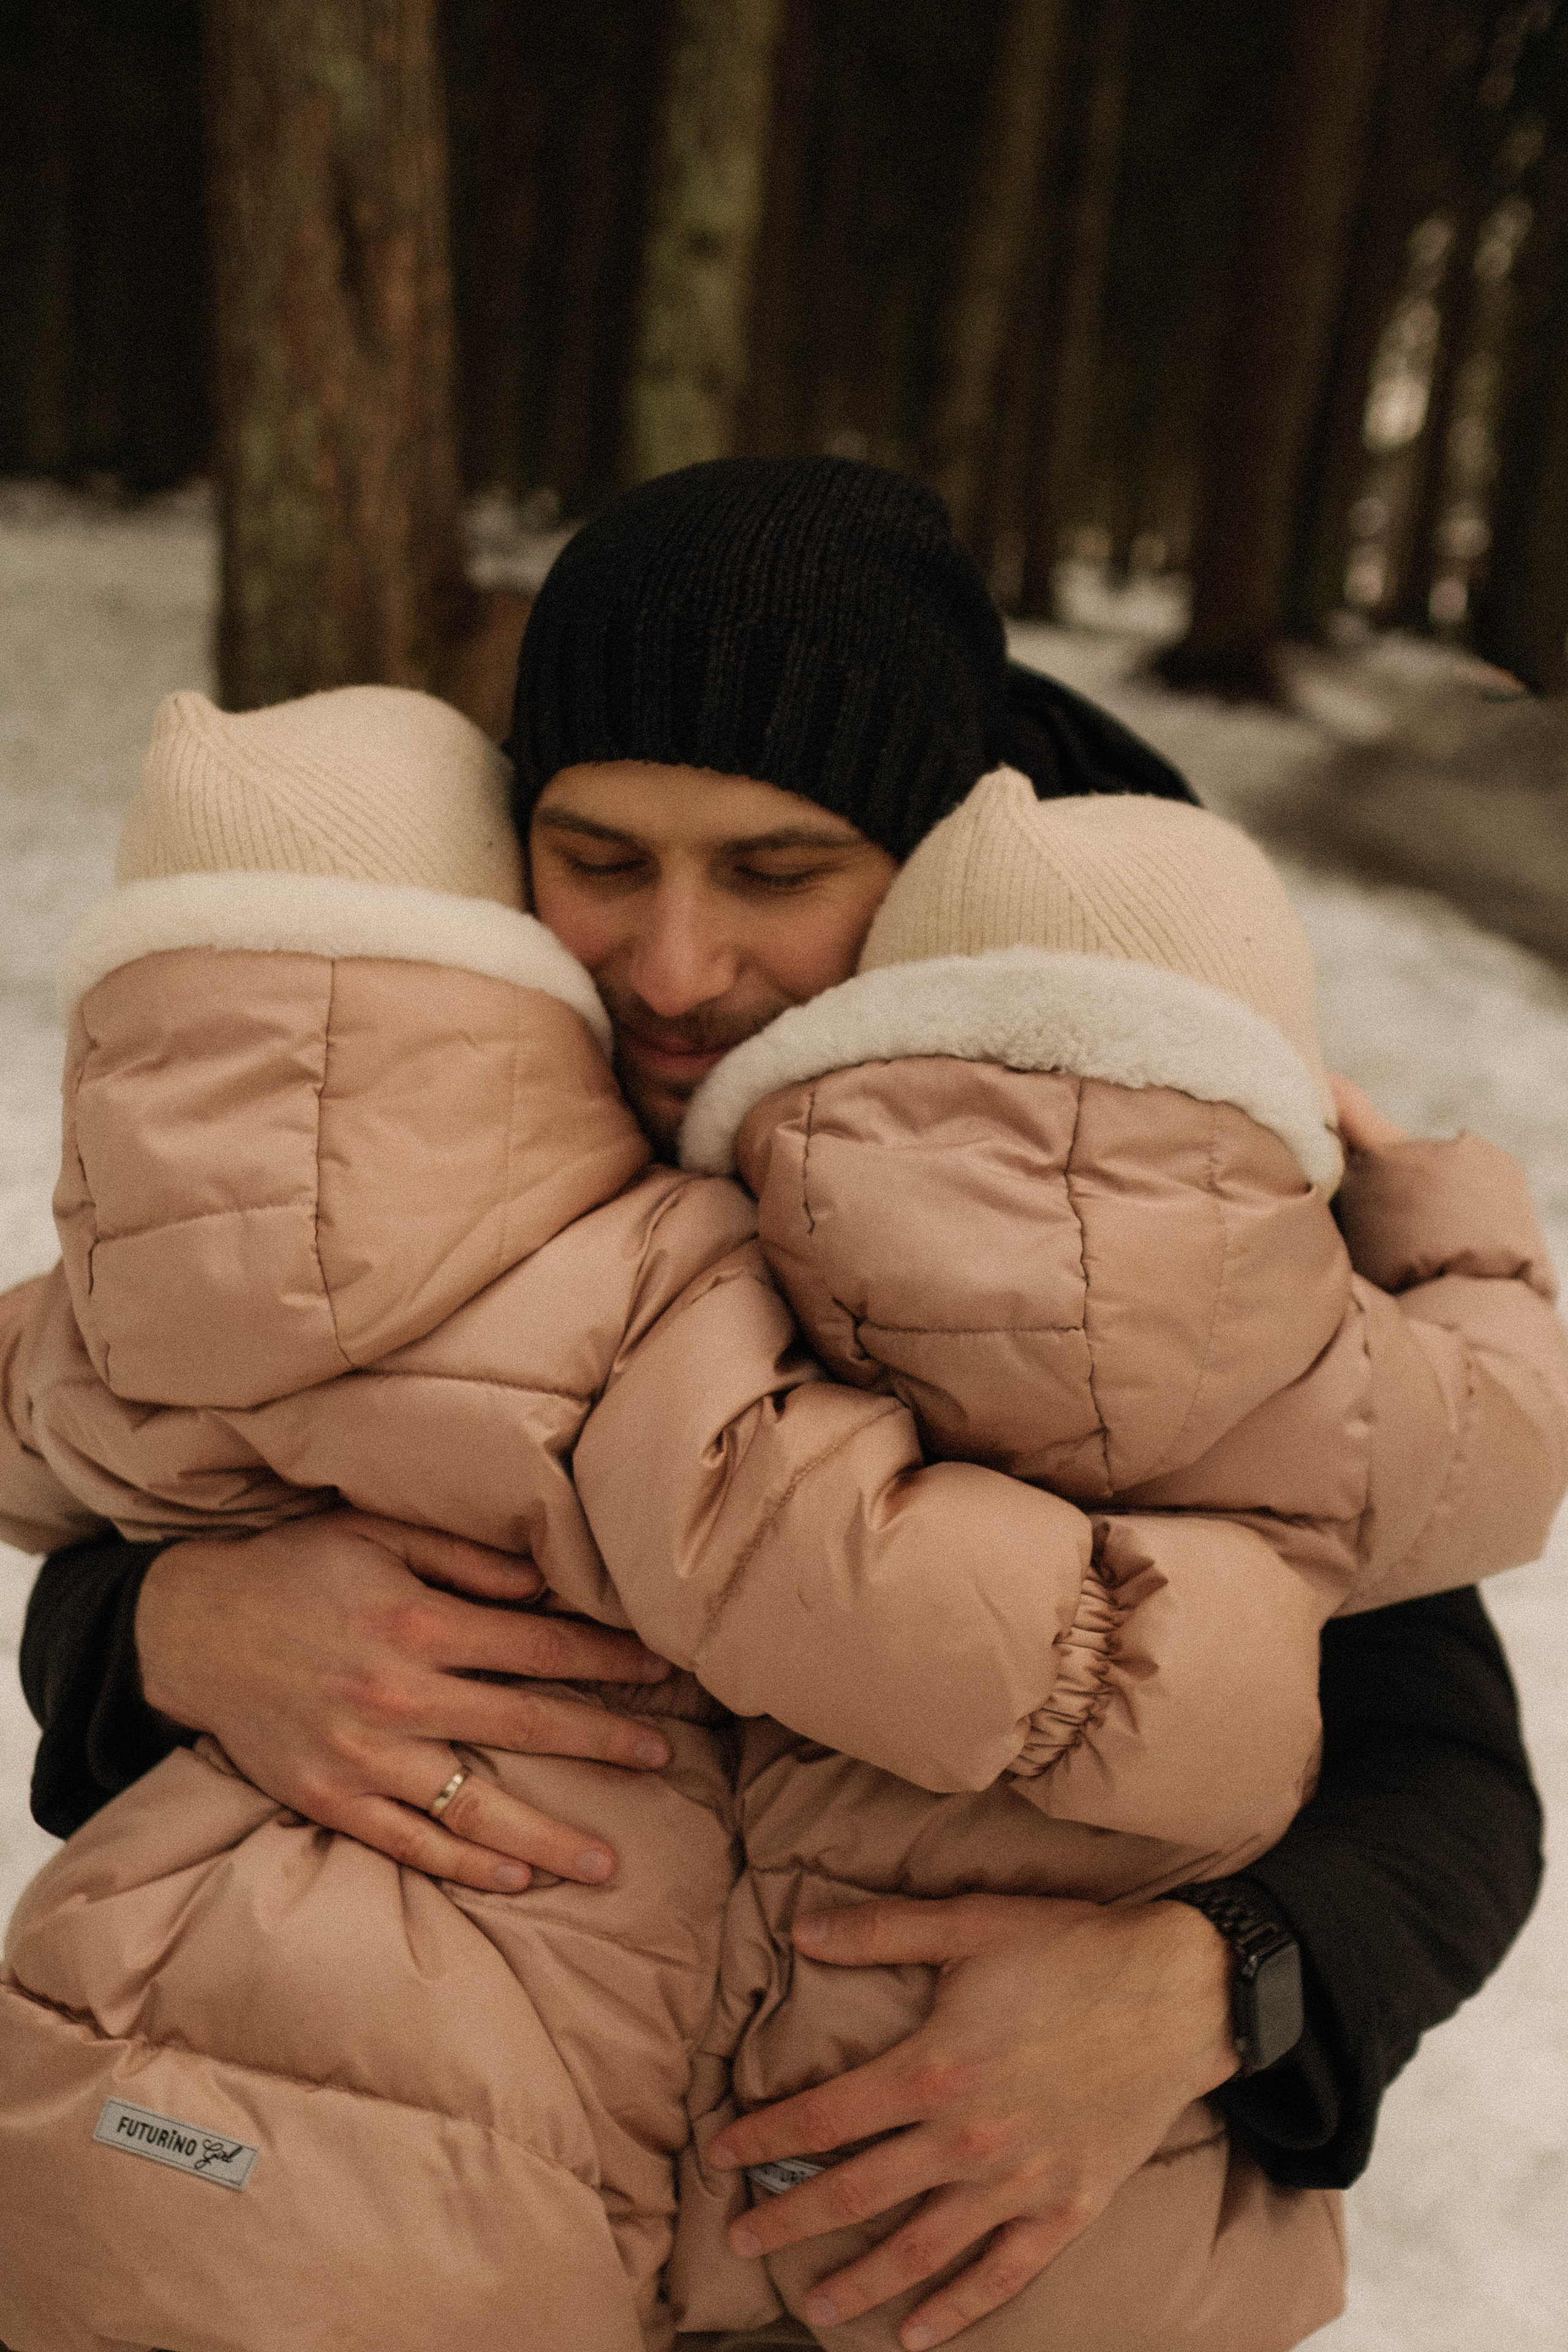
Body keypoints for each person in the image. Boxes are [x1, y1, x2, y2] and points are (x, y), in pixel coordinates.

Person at [10, 459, 1550, 2352]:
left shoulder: (1121, 1167)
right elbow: (131, 1482)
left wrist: (1201, 1992)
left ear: (925, 861)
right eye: (600, 857)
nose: (673, 966)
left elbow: (1452, 1778)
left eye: (776, 872)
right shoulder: (402, 1111)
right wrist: (162, 1626)